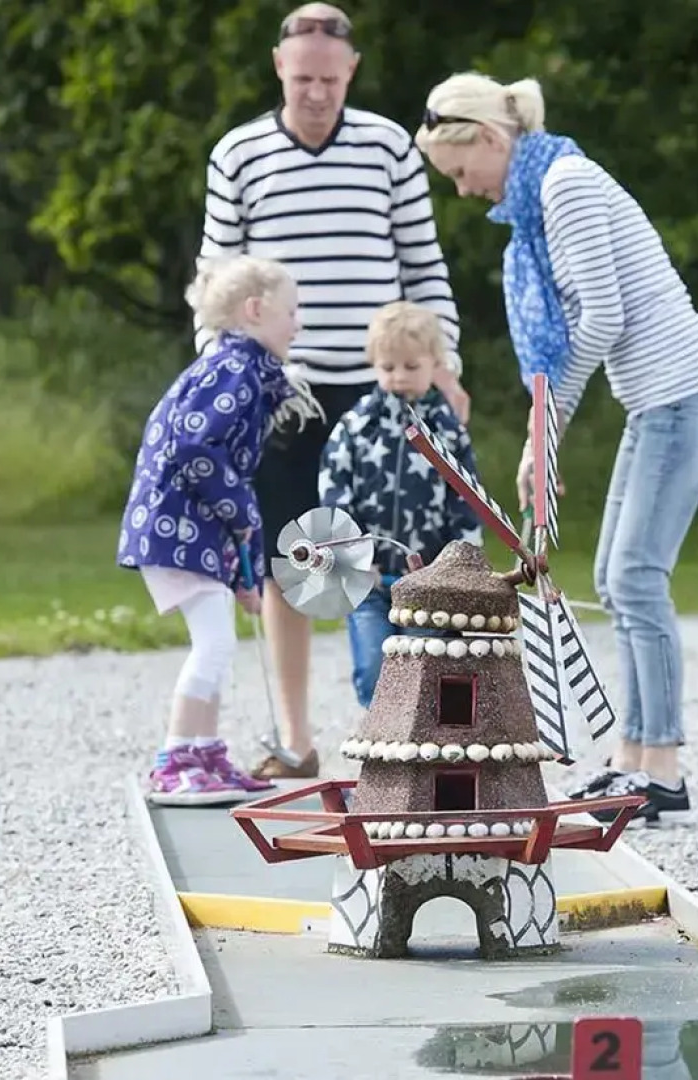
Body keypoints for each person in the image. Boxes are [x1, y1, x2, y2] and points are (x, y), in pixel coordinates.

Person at [415, 73, 698, 823]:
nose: (463, 192)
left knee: (634, 576)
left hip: (684, 397)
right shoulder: (546, 193)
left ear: (491, 141)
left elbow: (601, 317)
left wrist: (548, 428)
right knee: (613, 574)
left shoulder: (565, 187)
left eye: (462, 173)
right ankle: (633, 759)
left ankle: (661, 768)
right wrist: (542, 436)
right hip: (658, 402)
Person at [195, 2, 467, 780]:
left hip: (385, 385)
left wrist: (445, 368)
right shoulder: (239, 154)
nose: (315, 92)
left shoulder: (387, 148)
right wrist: (226, 385)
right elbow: (216, 285)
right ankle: (294, 737)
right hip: (283, 390)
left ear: (350, 72)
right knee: (295, 561)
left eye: (329, 78)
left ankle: (400, 731)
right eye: (302, 77)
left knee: (393, 555)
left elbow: (424, 266)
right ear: (280, 69)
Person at [117, 254, 320, 806]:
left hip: (186, 531)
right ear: (255, 310)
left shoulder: (245, 370)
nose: (297, 323)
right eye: (291, 311)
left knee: (218, 641)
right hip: (173, 530)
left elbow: (216, 461)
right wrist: (245, 512)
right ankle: (175, 760)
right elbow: (192, 445)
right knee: (213, 644)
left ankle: (204, 753)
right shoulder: (234, 371)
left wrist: (242, 560)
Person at [318, 301, 483, 708]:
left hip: (427, 579)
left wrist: (457, 568)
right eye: (388, 367)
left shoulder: (446, 432)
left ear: (435, 364)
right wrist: (351, 557)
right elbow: (334, 490)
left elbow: (466, 501)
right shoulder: (356, 426)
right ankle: (379, 742)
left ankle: (418, 751)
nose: (399, 377)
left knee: (423, 665)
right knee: (374, 664)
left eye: (411, 367)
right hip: (368, 578)